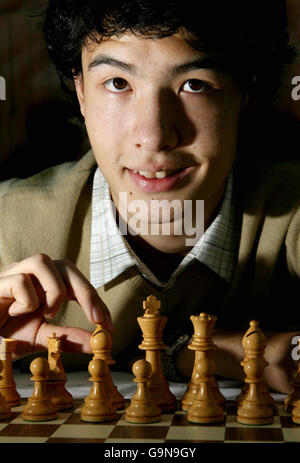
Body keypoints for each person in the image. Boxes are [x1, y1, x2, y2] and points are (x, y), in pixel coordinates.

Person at [0, 0, 299, 394]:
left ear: (246, 95)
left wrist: (190, 352)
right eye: (118, 83)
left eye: (195, 85)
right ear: (81, 92)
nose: (155, 136)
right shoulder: (7, 224)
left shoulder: (290, 212)